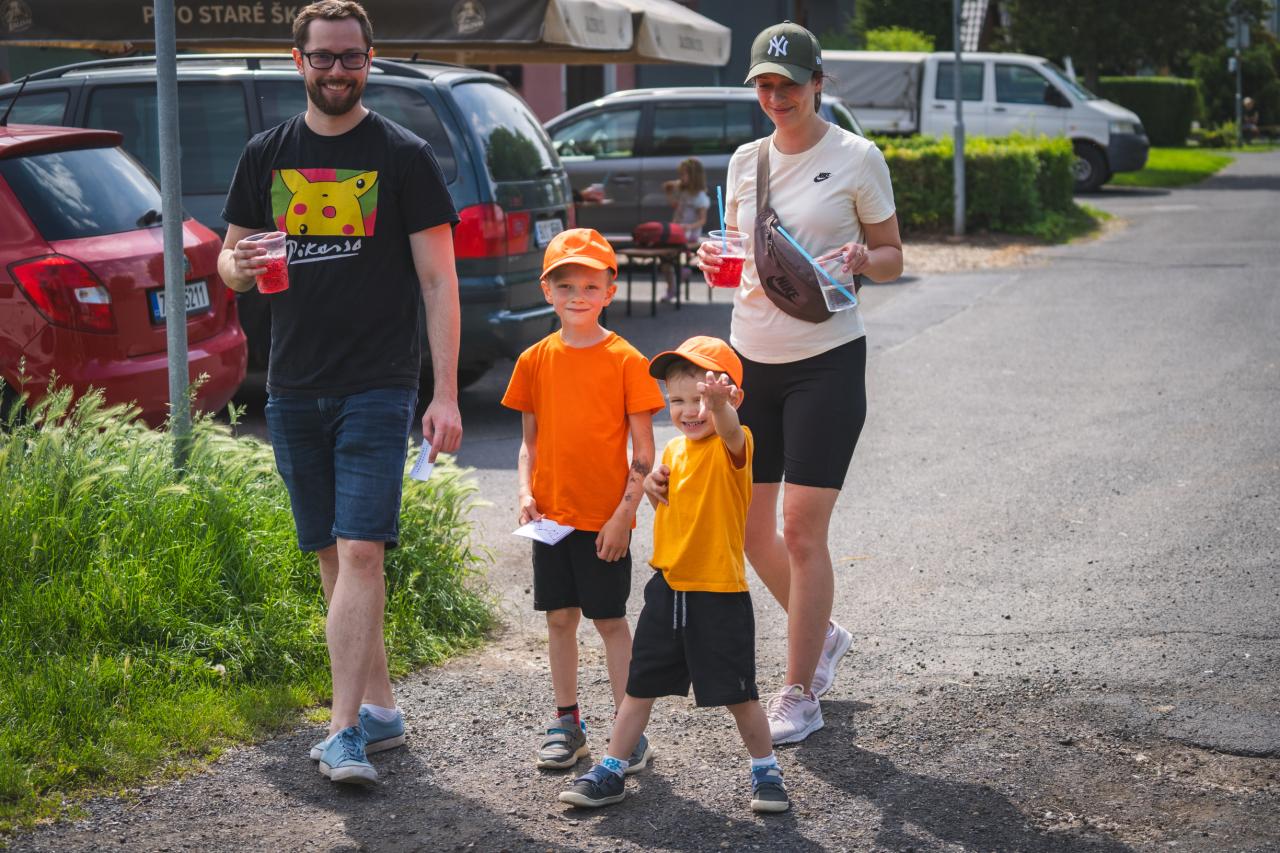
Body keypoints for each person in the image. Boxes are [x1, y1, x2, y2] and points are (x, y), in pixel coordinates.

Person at [218, 0, 463, 786]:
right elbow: (228, 261)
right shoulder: (266, 154)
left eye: (350, 57)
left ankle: (344, 730)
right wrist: (238, 266)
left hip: (379, 382)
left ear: (369, 60)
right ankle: (380, 707)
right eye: (322, 57)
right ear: (299, 61)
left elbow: (439, 281)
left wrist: (446, 392)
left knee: (362, 547)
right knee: (332, 553)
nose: (336, 70)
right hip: (293, 383)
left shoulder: (403, 155)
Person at [694, 21, 903, 745]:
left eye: (788, 84)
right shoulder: (743, 161)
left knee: (800, 531)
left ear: (817, 83)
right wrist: (714, 263)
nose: (776, 97)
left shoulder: (856, 157)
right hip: (750, 363)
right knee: (752, 532)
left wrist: (864, 259)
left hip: (827, 361)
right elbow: (742, 263)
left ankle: (799, 690)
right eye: (764, 84)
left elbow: (893, 255)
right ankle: (825, 635)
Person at [559, 336, 789, 813]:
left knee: (740, 695)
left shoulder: (736, 444)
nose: (689, 411)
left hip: (719, 593)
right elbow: (672, 502)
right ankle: (612, 769)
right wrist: (651, 486)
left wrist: (719, 405)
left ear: (731, 398)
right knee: (638, 687)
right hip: (667, 589)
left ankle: (766, 771)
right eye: (677, 400)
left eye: (700, 399)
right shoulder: (675, 451)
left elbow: (728, 427)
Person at [501, 228, 666, 774]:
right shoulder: (533, 360)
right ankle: (567, 724)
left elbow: (644, 452)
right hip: (551, 519)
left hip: (605, 522)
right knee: (559, 619)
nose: (578, 296)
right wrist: (525, 491)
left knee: (611, 620)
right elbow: (529, 444)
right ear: (546, 290)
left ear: (609, 292)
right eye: (566, 284)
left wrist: (624, 515)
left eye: (590, 286)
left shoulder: (627, 361)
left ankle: (628, 730)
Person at [659, 158, 710, 303]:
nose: (680, 177)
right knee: (665, 258)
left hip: (689, 234)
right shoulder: (683, 191)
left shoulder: (700, 197)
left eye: (683, 174)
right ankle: (678, 275)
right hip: (679, 231)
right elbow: (675, 205)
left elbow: (702, 220)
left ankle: (674, 285)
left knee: (668, 255)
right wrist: (669, 192)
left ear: (693, 176)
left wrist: (689, 226)